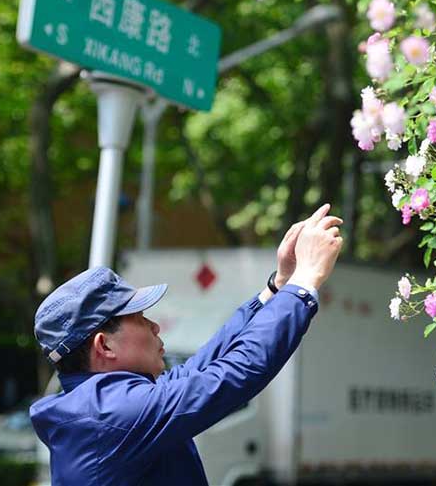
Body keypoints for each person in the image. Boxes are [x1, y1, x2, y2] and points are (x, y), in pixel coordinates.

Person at [29, 203, 342, 485]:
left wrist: (278, 288)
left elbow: (201, 368)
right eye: (140, 318)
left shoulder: (103, 407)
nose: (155, 326)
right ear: (104, 346)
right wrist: (305, 283)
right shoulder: (114, 413)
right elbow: (232, 375)